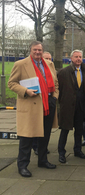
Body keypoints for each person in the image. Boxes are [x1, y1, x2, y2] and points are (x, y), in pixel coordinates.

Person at [8, 41, 59, 177]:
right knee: (27, 137)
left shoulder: (49, 64)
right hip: (31, 103)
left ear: (43, 51)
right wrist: (25, 91)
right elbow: (11, 83)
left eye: (40, 50)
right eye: (35, 50)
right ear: (30, 50)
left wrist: (55, 96)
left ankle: (43, 160)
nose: (37, 52)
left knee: (45, 134)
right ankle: (23, 165)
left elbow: (55, 82)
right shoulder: (20, 64)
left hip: (48, 103)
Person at [57, 49, 85, 163]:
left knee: (79, 130)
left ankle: (78, 150)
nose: (78, 59)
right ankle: (61, 152)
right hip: (67, 107)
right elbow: (58, 90)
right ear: (71, 58)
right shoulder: (63, 72)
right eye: (76, 57)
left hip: (80, 106)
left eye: (80, 57)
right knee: (65, 130)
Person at [32, 51, 53, 155]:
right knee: (37, 125)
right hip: (36, 100)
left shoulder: (50, 68)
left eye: (50, 59)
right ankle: (36, 146)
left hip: (49, 99)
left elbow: (56, 83)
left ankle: (43, 148)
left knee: (46, 126)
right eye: (46, 59)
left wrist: (55, 96)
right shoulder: (34, 68)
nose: (48, 61)